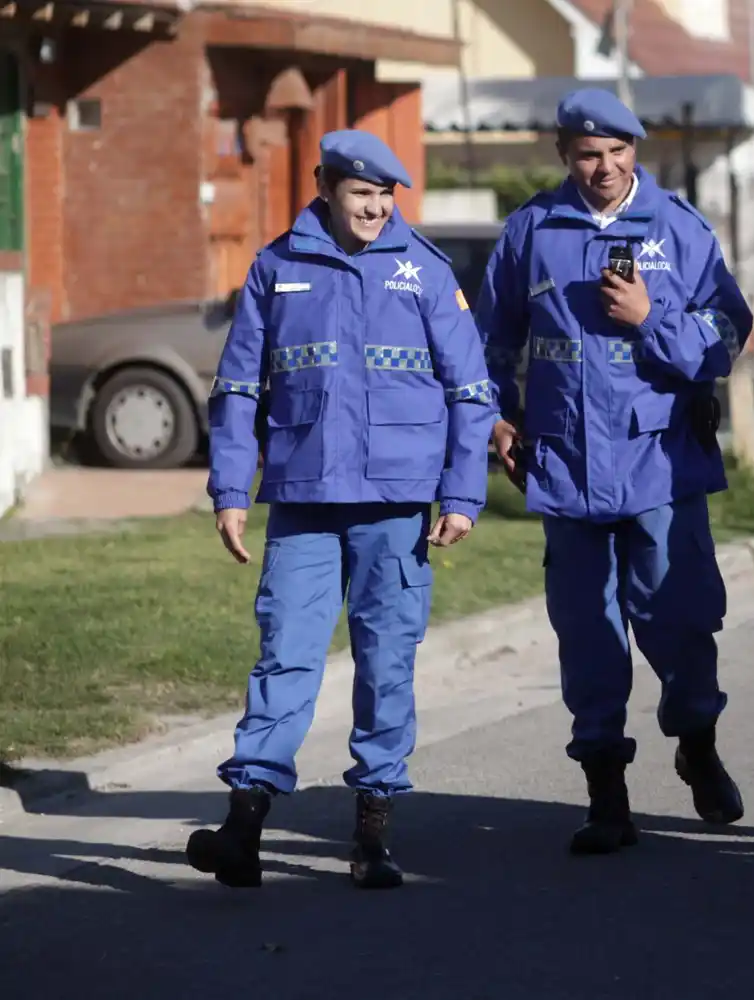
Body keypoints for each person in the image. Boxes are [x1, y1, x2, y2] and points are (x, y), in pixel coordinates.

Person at [187, 130, 495, 891]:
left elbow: (471, 392)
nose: (376, 208)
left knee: (386, 663)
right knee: (285, 655)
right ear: (325, 187)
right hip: (304, 500)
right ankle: (243, 829)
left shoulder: (424, 270)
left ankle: (372, 835)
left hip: (395, 506)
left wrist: (461, 494)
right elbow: (237, 389)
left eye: (386, 195)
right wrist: (230, 489)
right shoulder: (277, 267)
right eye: (362, 193)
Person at [477, 88, 753, 856]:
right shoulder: (532, 231)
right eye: (588, 154)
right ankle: (607, 795)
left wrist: (650, 319)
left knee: (681, 621)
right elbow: (489, 343)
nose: (604, 168)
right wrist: (495, 418)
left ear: (637, 150)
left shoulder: (680, 228)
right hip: (566, 466)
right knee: (588, 635)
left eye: (618, 152)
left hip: (660, 463)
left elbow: (727, 334)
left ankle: (697, 742)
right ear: (565, 155)